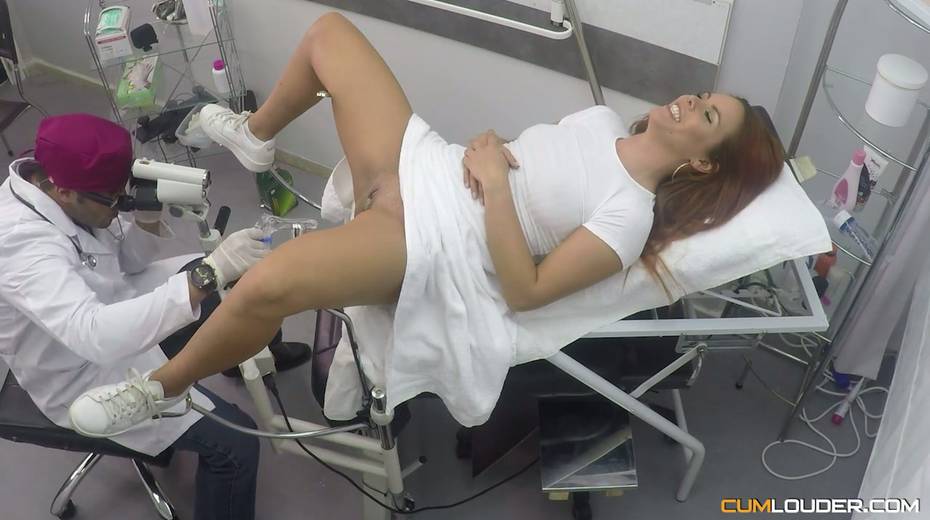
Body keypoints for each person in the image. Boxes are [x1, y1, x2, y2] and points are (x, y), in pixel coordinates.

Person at [69, 12, 785, 436]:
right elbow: (527, 162)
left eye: (706, 115)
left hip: (439, 239)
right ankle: (254, 135)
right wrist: (493, 150)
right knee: (328, 35)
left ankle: (156, 390)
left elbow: (526, 292)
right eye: (702, 95)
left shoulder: (628, 219)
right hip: (432, 167)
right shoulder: (600, 121)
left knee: (268, 282)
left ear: (702, 163)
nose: (688, 101)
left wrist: (495, 182)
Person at [0, 114, 267, 520]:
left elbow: (128, 264)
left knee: (244, 285)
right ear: (65, 192)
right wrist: (207, 274)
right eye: (113, 200)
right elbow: (94, 334)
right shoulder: (19, 243)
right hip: (81, 372)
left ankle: (240, 359)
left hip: (119, 306)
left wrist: (145, 218)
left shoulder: (62, 181)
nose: (119, 206)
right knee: (237, 446)